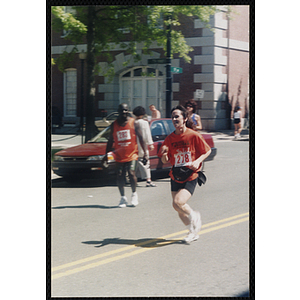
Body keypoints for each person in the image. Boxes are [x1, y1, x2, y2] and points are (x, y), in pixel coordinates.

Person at [159, 105, 211, 243]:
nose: (174, 119)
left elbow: (207, 151)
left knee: (179, 202)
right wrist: (164, 154)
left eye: (177, 116)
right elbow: (165, 160)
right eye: (173, 117)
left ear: (184, 118)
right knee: (177, 207)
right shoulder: (169, 139)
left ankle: (195, 216)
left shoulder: (193, 135)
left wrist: (198, 161)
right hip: (176, 174)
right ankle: (192, 231)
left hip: (190, 174)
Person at [105, 103, 148, 207]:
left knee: (131, 173)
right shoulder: (114, 125)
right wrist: (106, 155)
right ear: (118, 112)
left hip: (132, 154)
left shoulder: (134, 123)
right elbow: (110, 141)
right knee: (120, 175)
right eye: (122, 110)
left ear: (128, 111)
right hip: (119, 155)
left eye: (126, 110)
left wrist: (145, 153)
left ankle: (134, 194)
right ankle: (123, 198)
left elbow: (141, 138)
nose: (124, 112)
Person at [133, 106, 157, 187]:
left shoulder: (133, 122)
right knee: (146, 162)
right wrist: (150, 143)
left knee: (135, 162)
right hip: (142, 144)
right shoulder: (144, 123)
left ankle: (133, 178)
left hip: (134, 145)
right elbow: (147, 134)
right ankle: (148, 180)